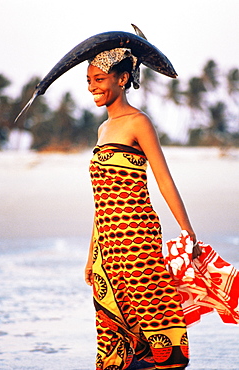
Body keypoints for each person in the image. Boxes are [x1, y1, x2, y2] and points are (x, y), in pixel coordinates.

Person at [84, 48, 201, 370]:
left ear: (123, 79)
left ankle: (169, 363)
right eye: (89, 81)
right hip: (108, 241)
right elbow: (102, 198)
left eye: (99, 79)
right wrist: (92, 252)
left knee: (152, 308)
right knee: (115, 321)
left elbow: (163, 179)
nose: (92, 87)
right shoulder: (103, 129)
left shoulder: (139, 122)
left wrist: (187, 231)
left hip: (137, 234)